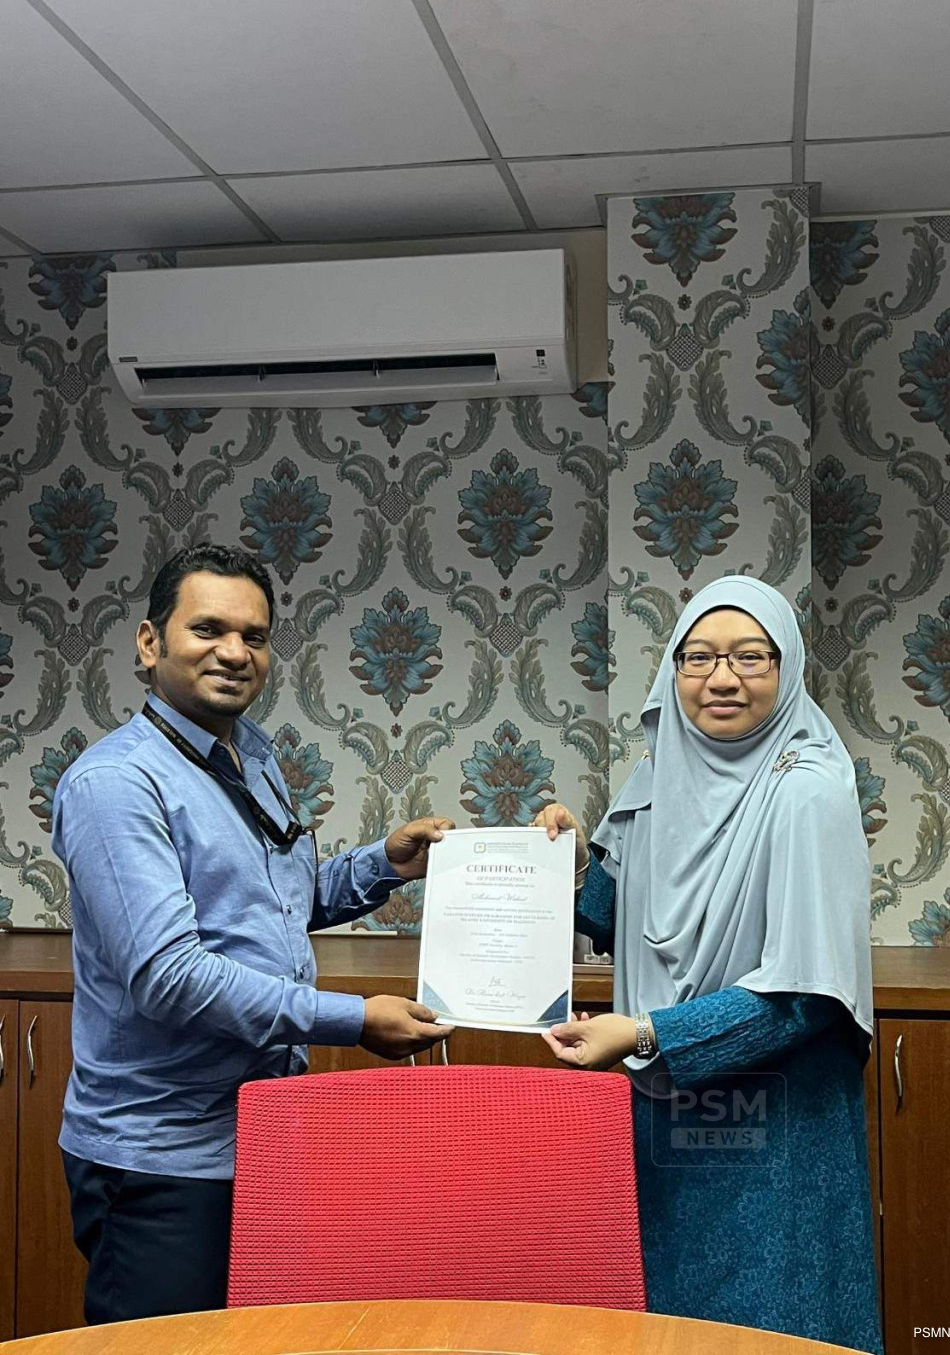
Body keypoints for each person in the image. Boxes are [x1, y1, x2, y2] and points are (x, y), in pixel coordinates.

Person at [53, 544, 454, 1325]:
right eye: (208, 629)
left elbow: (269, 910)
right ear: (150, 642)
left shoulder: (252, 757)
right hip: (162, 1158)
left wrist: (385, 863)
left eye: (255, 635)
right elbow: (170, 976)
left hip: (265, 1132)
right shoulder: (116, 784)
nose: (235, 652)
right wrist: (353, 1020)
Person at [534, 575, 881, 1354]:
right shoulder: (657, 782)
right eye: (699, 657)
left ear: (786, 666)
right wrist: (563, 864)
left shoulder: (807, 792)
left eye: (750, 656)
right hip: (668, 1121)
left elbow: (805, 996)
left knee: (773, 1327)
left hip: (778, 1133)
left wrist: (646, 1032)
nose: (722, 678)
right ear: (675, 669)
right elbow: (623, 919)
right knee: (670, 1325)